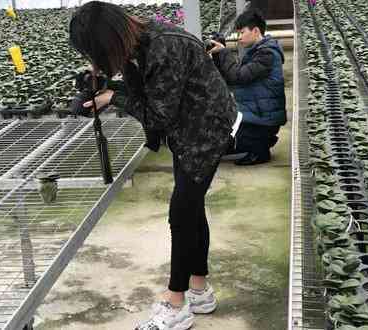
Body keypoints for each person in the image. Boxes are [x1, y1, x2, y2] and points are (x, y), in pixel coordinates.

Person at [69, 2, 240, 329]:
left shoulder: (163, 49)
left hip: (205, 130)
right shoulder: (143, 42)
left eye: (95, 52)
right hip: (190, 127)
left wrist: (110, 98)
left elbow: (159, 116)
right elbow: (150, 95)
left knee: (181, 213)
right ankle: (199, 290)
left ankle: (177, 303)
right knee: (191, 209)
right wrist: (107, 84)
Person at [208, 8, 287, 166]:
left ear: (256, 30)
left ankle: (260, 148)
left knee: (216, 144)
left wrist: (224, 53)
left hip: (262, 121)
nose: (239, 37)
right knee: (213, 144)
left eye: (242, 32)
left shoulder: (267, 54)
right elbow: (231, 78)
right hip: (255, 117)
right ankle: (257, 143)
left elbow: (238, 77)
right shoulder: (257, 52)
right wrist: (218, 55)